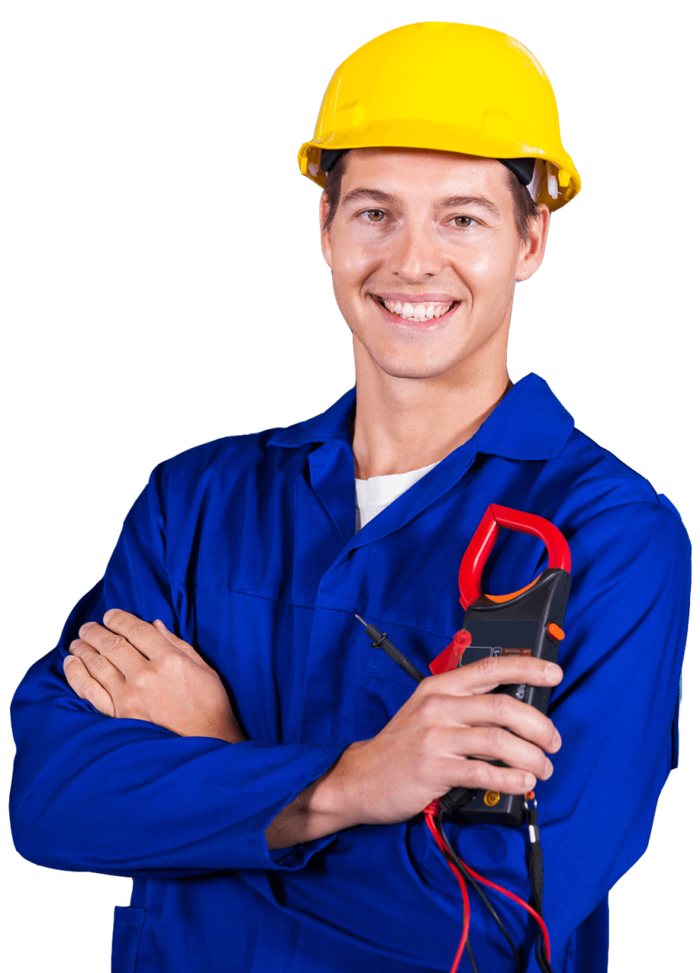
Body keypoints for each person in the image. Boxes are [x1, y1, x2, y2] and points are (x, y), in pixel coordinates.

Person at [9, 21, 690, 973]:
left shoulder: (604, 536)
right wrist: (354, 783)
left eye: (463, 216)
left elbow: (489, 925)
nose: (412, 261)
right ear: (324, 226)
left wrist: (216, 760)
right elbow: (52, 802)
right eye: (375, 212)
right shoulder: (196, 501)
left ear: (532, 239)